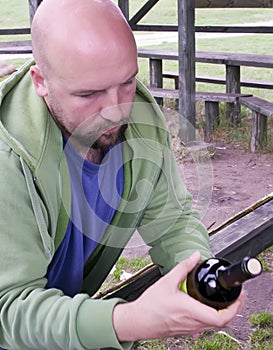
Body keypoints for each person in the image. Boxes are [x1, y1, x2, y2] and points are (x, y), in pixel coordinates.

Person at [0, 0, 245, 349]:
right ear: (41, 81)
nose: (115, 109)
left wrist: (196, 273)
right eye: (89, 93)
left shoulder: (140, 120)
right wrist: (128, 321)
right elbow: (9, 311)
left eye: (127, 83)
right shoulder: (7, 158)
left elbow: (173, 221)